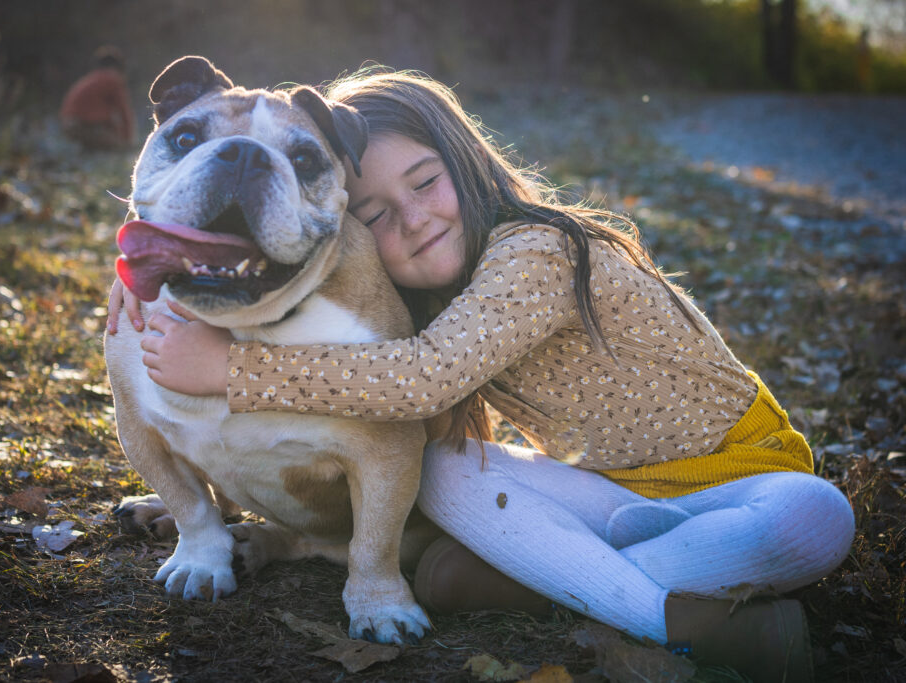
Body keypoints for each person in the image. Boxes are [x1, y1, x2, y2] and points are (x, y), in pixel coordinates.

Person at [107, 67, 854, 681]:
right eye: (377, 212)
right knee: (445, 471)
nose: (412, 218)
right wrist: (156, 261)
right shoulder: (424, 289)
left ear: (466, 160)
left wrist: (234, 370)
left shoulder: (536, 251)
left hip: (741, 478)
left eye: (426, 183)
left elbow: (422, 380)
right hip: (614, 497)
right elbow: (295, 251)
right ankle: (620, 581)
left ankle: (620, 601)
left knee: (817, 516)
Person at [59, 46, 135, 151]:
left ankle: (90, 150)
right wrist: (128, 141)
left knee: (107, 135)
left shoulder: (93, 78)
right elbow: (124, 112)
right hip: (83, 125)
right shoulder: (113, 79)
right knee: (118, 147)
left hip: (69, 124)